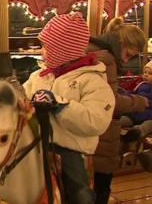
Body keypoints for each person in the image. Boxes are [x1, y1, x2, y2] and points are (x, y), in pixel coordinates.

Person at [23, 12, 115, 204]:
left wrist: (59, 105)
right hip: (36, 144)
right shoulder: (39, 76)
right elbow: (21, 100)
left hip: (69, 149)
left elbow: (95, 121)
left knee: (79, 193)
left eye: (46, 47)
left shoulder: (92, 81)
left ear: (64, 50)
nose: (42, 52)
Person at [87, 16, 149, 204]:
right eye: (129, 54)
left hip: (96, 129)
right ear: (121, 42)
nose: (126, 59)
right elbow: (108, 100)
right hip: (102, 130)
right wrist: (138, 102)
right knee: (101, 184)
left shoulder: (97, 52)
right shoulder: (106, 59)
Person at [120, 60, 152, 142]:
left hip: (148, 115)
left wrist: (141, 99)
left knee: (149, 124)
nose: (146, 75)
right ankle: (115, 124)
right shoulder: (141, 84)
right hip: (134, 113)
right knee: (123, 119)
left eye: (150, 73)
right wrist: (127, 94)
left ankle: (137, 131)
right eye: (145, 72)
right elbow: (133, 91)